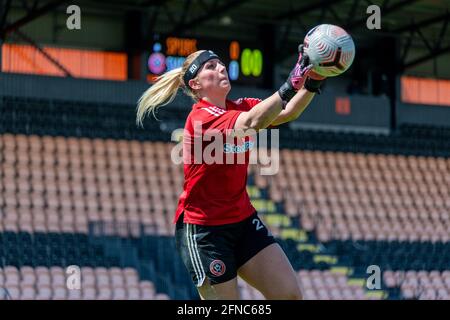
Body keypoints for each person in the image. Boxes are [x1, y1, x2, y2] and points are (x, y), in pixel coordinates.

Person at [136, 45, 326, 300]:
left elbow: (287, 112)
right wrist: (291, 83)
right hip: (206, 232)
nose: (221, 67)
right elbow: (252, 122)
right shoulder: (201, 119)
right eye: (210, 66)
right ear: (195, 84)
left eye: (220, 63)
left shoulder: (239, 106)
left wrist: (311, 84)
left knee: (289, 295)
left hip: (243, 221)